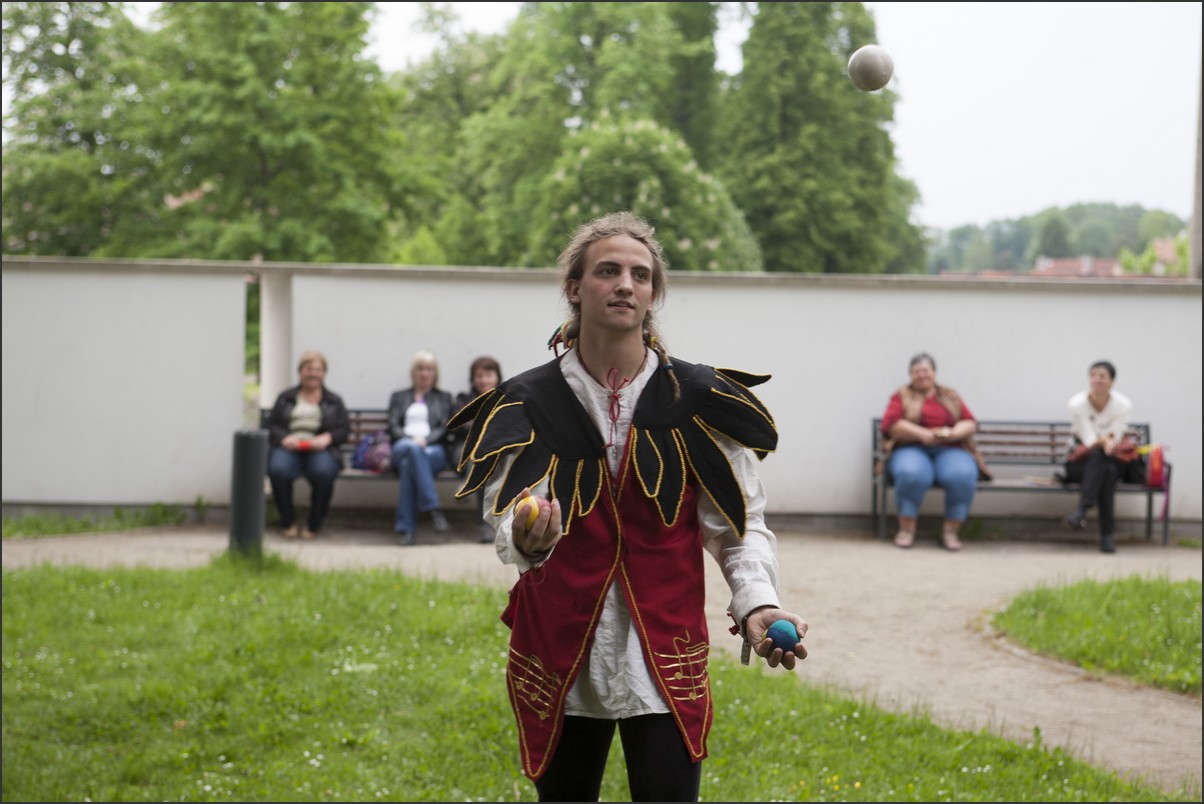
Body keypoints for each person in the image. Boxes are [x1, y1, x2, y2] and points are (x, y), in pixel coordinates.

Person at [447, 211, 809, 803]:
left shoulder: (697, 401)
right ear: (574, 288)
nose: (624, 284)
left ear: (653, 295)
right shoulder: (525, 402)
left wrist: (757, 602)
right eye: (607, 271)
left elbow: (738, 527)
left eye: (640, 275)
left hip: (664, 651)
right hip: (562, 649)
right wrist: (526, 538)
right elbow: (505, 515)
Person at [878, 353, 991, 551]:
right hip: (910, 447)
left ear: (934, 373)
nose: (921, 375)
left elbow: (969, 422)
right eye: (916, 371)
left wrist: (954, 433)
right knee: (911, 473)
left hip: (949, 448)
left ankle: (950, 532)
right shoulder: (901, 395)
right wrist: (922, 434)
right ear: (911, 375)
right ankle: (906, 530)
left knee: (963, 474)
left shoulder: (950, 395)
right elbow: (891, 424)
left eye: (925, 370)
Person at [264, 351, 350, 539]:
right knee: (278, 470)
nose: (313, 374)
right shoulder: (286, 397)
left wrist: (327, 437)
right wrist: (284, 438)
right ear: (300, 371)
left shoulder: (334, 400)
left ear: (324, 373)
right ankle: (288, 521)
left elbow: (344, 429)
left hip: (321, 449)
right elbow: (270, 425)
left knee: (324, 473)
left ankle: (314, 524)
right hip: (290, 447)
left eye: (318, 370)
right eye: (309, 369)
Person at [1062, 360, 1133, 554]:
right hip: (1079, 464)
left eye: (1102, 376)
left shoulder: (1122, 405)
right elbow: (1088, 440)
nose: (1097, 380)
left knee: (1105, 467)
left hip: (1106, 461)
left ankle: (1082, 510)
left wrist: (1107, 443)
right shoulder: (1077, 404)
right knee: (1105, 468)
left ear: (1112, 381)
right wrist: (1104, 441)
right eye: (1093, 375)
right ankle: (1107, 536)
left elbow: (1115, 438)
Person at [387, 349, 454, 546]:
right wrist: (411, 439)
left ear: (435, 373)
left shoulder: (444, 397)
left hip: (432, 450)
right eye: (420, 369)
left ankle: (407, 530)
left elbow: (444, 427)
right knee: (411, 451)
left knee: (409, 465)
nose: (424, 373)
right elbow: (392, 426)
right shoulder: (399, 397)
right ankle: (432, 508)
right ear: (413, 372)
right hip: (403, 445)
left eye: (429, 369)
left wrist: (426, 440)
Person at [450, 355, 504, 544]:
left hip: (496, 454)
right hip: (463, 453)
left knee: (484, 460)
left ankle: (468, 485)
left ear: (497, 377)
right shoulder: (463, 399)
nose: (484, 380)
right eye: (479, 376)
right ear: (473, 379)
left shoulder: (505, 398)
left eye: (488, 375)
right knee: (482, 461)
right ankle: (485, 527)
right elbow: (458, 424)